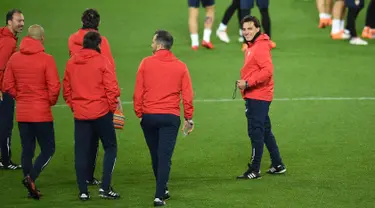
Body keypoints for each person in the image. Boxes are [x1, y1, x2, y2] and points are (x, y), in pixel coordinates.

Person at [133, 30, 194, 206]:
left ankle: (163, 189)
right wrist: (188, 117)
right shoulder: (181, 66)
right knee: (164, 155)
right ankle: (160, 195)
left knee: (156, 155)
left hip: (149, 117)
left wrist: (139, 113)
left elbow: (138, 91)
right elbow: (187, 95)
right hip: (170, 117)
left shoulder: (145, 63)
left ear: (159, 45)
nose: (151, 45)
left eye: (153, 42)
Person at [2, 24, 60, 199]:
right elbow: (54, 87)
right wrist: (48, 101)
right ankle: (31, 178)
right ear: (42, 39)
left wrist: (19, 96)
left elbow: (6, 85)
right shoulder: (47, 59)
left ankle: (30, 187)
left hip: (23, 112)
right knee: (48, 149)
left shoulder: (14, 58)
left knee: (27, 149)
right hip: (41, 112)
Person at [63, 31, 120, 200]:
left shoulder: (71, 62)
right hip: (101, 112)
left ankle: (83, 191)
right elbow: (112, 88)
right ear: (98, 45)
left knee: (80, 152)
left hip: (81, 114)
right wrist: (110, 108)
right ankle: (105, 187)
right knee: (110, 147)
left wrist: (75, 106)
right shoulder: (103, 61)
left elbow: (66, 89)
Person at [235, 15, 286, 180]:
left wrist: (248, 83)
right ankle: (278, 164)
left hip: (258, 95)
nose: (246, 32)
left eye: (250, 28)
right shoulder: (253, 45)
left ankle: (254, 169)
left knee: (255, 132)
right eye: (244, 29)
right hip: (257, 94)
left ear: (258, 28)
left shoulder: (260, 47)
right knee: (264, 131)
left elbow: (267, 71)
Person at [0, 8, 24, 170]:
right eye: (18, 21)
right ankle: (5, 161)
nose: (22, 23)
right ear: (9, 22)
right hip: (4, 90)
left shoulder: (3, 36)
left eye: (22, 20)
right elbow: (1, 66)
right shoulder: (8, 42)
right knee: (5, 125)